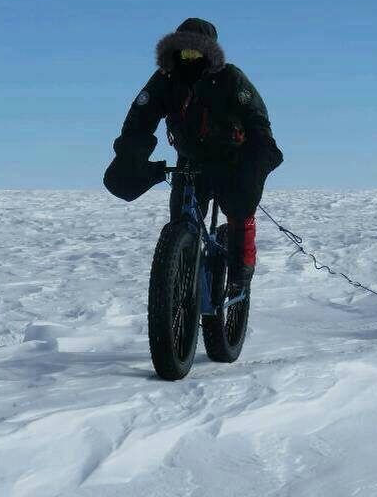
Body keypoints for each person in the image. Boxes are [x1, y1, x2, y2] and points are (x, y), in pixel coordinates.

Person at [103, 18, 284, 294]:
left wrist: (255, 162)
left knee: (239, 210)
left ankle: (239, 274)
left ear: (210, 52)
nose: (189, 58)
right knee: (180, 223)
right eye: (183, 51)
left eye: (196, 51)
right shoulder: (166, 80)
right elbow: (139, 120)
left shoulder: (230, 78)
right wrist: (130, 157)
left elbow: (257, 121)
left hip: (231, 160)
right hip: (191, 160)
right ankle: (181, 287)